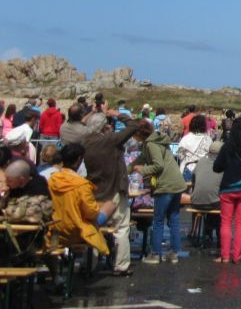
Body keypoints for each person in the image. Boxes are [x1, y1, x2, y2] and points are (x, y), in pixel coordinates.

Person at [82, 117, 145, 276]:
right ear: (104, 128)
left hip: (94, 189)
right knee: (121, 228)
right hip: (114, 188)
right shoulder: (109, 141)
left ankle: (89, 263)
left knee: (93, 227)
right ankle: (121, 265)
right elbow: (134, 126)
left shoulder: (85, 142)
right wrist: (119, 115)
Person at [133, 121, 189, 264]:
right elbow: (141, 158)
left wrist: (143, 170)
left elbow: (158, 165)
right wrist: (127, 168)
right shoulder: (155, 141)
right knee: (174, 218)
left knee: (158, 220)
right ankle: (174, 253)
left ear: (139, 134)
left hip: (166, 185)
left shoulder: (151, 144)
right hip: (176, 182)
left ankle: (155, 253)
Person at [48, 143, 117, 258]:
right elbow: (92, 213)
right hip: (76, 231)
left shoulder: (52, 180)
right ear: (79, 159)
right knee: (110, 205)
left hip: (55, 229)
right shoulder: (81, 184)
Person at [213, 116, 241, 263]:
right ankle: (237, 256)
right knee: (240, 222)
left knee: (226, 222)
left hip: (228, 188)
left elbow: (216, 168)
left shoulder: (227, 146)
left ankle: (225, 256)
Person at [178, 114, 212, 181]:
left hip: (187, 169)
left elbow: (180, 155)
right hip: (203, 169)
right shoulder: (208, 139)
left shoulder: (185, 138)